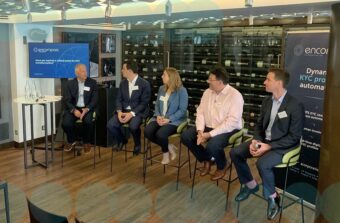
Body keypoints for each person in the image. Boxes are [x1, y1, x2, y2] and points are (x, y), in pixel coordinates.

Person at [230, 68, 305, 220]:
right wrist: (256, 140)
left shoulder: (295, 105)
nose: (264, 82)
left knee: (262, 163)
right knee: (235, 152)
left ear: (279, 83)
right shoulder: (266, 101)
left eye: (268, 79)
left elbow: (294, 136)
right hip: (264, 140)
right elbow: (258, 125)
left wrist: (269, 146)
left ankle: (273, 199)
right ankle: (251, 185)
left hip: (283, 146)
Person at [181, 66, 244, 181]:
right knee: (186, 136)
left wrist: (209, 135)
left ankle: (222, 165)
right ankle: (207, 159)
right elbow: (200, 112)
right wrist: (200, 131)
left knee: (213, 145)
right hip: (208, 126)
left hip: (228, 129)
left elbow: (231, 122)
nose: (208, 81)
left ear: (220, 82)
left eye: (211, 79)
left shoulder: (235, 96)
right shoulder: (207, 92)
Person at [144, 67, 188, 164]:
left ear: (171, 77)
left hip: (174, 121)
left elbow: (182, 110)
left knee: (161, 134)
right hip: (159, 118)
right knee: (147, 131)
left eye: (164, 75)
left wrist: (169, 119)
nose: (161, 76)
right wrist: (158, 115)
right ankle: (168, 146)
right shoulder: (161, 88)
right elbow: (157, 105)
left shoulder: (182, 91)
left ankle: (165, 154)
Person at [107, 61, 151, 155]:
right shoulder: (123, 83)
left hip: (138, 112)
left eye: (123, 69)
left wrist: (131, 114)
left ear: (130, 71)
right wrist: (119, 111)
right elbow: (118, 99)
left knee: (133, 126)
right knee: (110, 125)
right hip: (123, 111)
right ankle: (122, 140)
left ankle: (137, 144)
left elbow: (144, 103)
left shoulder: (144, 84)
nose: (121, 70)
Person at [62, 63, 98, 154]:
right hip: (74, 108)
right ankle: (71, 140)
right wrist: (74, 110)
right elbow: (67, 100)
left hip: (87, 108)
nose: (86, 73)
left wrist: (87, 109)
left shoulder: (92, 83)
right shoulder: (69, 84)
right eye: (83, 71)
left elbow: (95, 99)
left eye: (86, 71)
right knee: (66, 123)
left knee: (88, 121)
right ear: (77, 73)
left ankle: (86, 142)